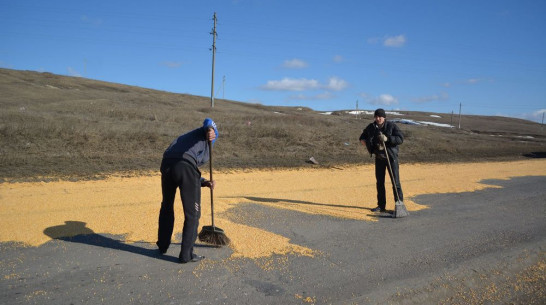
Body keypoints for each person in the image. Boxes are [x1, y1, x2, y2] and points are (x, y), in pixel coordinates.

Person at [156, 118, 218, 263]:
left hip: (167, 164)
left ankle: (162, 246)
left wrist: (203, 182)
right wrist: (211, 129)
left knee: (167, 206)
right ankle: (186, 255)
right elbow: (208, 121)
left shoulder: (186, 138)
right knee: (193, 214)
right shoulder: (205, 135)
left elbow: (184, 169)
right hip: (183, 166)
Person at [359, 109, 404, 213]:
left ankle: (399, 204)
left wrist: (388, 139)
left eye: (380, 116)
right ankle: (381, 206)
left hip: (391, 158)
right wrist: (364, 141)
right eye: (376, 116)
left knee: (395, 182)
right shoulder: (371, 127)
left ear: (384, 117)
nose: (378, 118)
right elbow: (363, 136)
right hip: (379, 158)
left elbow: (400, 138)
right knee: (380, 183)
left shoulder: (391, 126)